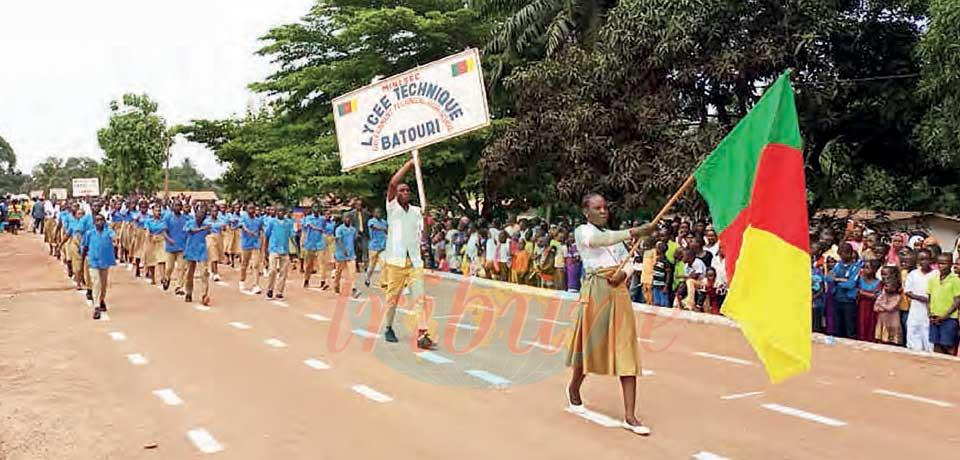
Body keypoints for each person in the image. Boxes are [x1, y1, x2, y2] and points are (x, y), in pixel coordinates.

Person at [565, 192, 653, 436]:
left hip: (619, 292)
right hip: (596, 291)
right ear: (586, 212)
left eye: (605, 207)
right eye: (598, 208)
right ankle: (574, 389)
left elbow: (631, 263)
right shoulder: (583, 231)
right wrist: (635, 231)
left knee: (626, 349)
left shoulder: (616, 239)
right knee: (591, 346)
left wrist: (623, 275)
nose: (603, 211)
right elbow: (596, 242)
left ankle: (630, 416)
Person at [381, 159, 436, 350]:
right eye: (401, 190)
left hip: (414, 261)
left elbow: (424, 236)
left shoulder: (416, 212)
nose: (404, 192)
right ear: (396, 194)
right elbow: (392, 183)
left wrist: (427, 221)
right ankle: (388, 327)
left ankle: (423, 333)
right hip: (395, 260)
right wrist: (409, 165)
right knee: (392, 298)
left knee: (419, 297)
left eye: (407, 191)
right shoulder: (392, 208)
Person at [81, 214, 116, 320]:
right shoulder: (89, 233)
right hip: (93, 261)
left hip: (105, 261)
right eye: (97, 220)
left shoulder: (108, 232)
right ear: (94, 222)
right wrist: (83, 260)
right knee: (96, 282)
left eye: (101, 220)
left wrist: (115, 239)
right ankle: (96, 307)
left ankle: (101, 300)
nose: (99, 222)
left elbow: (114, 237)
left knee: (104, 284)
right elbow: (85, 246)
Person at [926, 253, 960, 355]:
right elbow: (929, 298)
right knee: (936, 344)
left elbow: (957, 301)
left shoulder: (955, 280)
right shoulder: (933, 279)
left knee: (948, 345)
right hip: (934, 317)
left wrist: (944, 316)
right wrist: (930, 313)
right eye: (939, 263)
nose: (941, 266)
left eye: (944, 263)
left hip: (949, 318)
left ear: (950, 264)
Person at [904, 249, 937, 351]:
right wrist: (922, 298)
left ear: (931, 260)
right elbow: (907, 291)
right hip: (915, 310)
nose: (923, 262)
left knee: (928, 337)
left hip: (929, 310)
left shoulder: (936, 274)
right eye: (921, 259)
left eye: (926, 259)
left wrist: (930, 300)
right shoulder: (913, 274)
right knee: (913, 333)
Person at [829, 243, 862, 339]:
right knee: (838, 328)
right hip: (837, 299)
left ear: (850, 253)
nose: (842, 257)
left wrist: (837, 279)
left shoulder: (856, 267)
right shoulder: (838, 265)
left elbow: (850, 284)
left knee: (850, 328)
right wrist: (841, 280)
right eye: (840, 254)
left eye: (844, 254)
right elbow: (828, 278)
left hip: (849, 301)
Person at [264, 206, 295, 300]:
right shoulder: (272, 222)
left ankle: (279, 292)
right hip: (273, 248)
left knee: (283, 272)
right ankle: (270, 289)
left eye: (282, 211)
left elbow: (291, 236)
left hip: (284, 249)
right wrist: (265, 249)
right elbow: (267, 235)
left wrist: (294, 251)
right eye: (279, 211)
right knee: (272, 270)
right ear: (276, 212)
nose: (281, 213)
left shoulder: (289, 223)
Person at [183, 207, 212, 305]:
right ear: (195, 215)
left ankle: (204, 295)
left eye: (203, 216)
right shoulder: (190, 223)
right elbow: (191, 231)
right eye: (199, 215)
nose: (200, 217)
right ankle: (188, 292)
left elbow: (210, 232)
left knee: (204, 273)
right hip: (191, 250)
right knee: (189, 274)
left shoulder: (206, 225)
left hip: (201, 251)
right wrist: (203, 229)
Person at [162, 201, 190, 295]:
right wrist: (169, 239)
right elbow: (164, 231)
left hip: (182, 247)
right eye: (176, 205)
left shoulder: (185, 219)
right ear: (172, 207)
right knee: (169, 267)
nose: (177, 207)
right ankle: (167, 278)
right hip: (171, 247)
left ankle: (179, 287)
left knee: (181, 268)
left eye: (179, 206)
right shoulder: (168, 218)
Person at [333, 214, 361, 298]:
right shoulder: (339, 229)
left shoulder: (353, 229)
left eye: (349, 218)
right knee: (338, 272)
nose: (347, 219)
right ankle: (336, 285)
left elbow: (355, 239)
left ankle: (353, 289)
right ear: (343, 219)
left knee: (352, 273)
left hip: (351, 254)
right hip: (341, 254)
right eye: (346, 218)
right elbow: (338, 240)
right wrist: (343, 250)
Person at [302, 205, 330, 290]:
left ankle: (323, 281)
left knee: (322, 263)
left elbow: (325, 228)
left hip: (320, 243)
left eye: (318, 210)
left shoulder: (322, 219)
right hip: (310, 243)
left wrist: (323, 230)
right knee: (308, 264)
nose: (316, 211)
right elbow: (309, 226)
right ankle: (306, 280)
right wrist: (319, 229)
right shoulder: (308, 218)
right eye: (315, 210)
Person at [239, 204, 265, 293]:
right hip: (246, 244)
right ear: (246, 210)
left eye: (253, 208)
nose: (252, 210)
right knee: (244, 264)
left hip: (255, 245)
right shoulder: (243, 218)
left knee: (256, 265)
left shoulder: (258, 220)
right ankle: (242, 280)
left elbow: (262, 229)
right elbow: (242, 227)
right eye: (250, 208)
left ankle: (256, 285)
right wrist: (249, 232)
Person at [856, 260, 881, 342]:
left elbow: (876, 296)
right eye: (864, 267)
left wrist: (862, 292)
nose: (864, 270)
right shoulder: (860, 280)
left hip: (872, 308)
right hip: (861, 307)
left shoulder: (878, 283)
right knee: (861, 324)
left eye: (867, 268)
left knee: (871, 325)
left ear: (874, 270)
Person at [874, 278, 904, 345]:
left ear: (894, 288)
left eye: (887, 286)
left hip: (893, 323)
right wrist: (883, 306)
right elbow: (875, 308)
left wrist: (881, 304)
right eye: (885, 286)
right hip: (882, 322)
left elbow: (890, 308)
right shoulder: (882, 295)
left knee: (892, 342)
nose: (885, 288)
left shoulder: (897, 297)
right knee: (881, 341)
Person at [143, 206, 168, 285]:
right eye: (157, 211)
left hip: (161, 240)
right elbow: (147, 230)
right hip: (151, 239)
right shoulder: (148, 221)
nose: (158, 212)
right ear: (153, 212)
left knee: (162, 258)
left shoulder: (163, 221)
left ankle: (163, 277)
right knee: (151, 260)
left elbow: (164, 231)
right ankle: (152, 277)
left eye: (159, 211)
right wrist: (148, 237)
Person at [364, 208, 387, 288]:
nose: (378, 214)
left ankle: (384, 282)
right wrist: (383, 229)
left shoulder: (384, 222)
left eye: (380, 212)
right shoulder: (371, 221)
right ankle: (367, 278)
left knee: (384, 264)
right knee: (372, 265)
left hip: (382, 246)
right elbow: (373, 227)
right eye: (377, 212)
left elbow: (387, 231)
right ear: (374, 213)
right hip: (373, 246)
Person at [204, 206, 226, 282]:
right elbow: (204, 230)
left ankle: (212, 270)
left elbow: (224, 229)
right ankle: (216, 273)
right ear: (210, 212)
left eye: (216, 211)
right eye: (213, 211)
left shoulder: (221, 220)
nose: (215, 213)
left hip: (219, 237)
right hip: (210, 237)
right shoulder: (206, 221)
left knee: (217, 254)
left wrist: (223, 228)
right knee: (214, 254)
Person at [651, 241, 672, 307]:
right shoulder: (657, 260)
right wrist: (652, 282)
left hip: (662, 285)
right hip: (655, 284)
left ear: (660, 250)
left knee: (664, 304)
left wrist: (666, 286)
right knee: (656, 303)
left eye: (657, 248)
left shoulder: (666, 262)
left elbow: (668, 274)